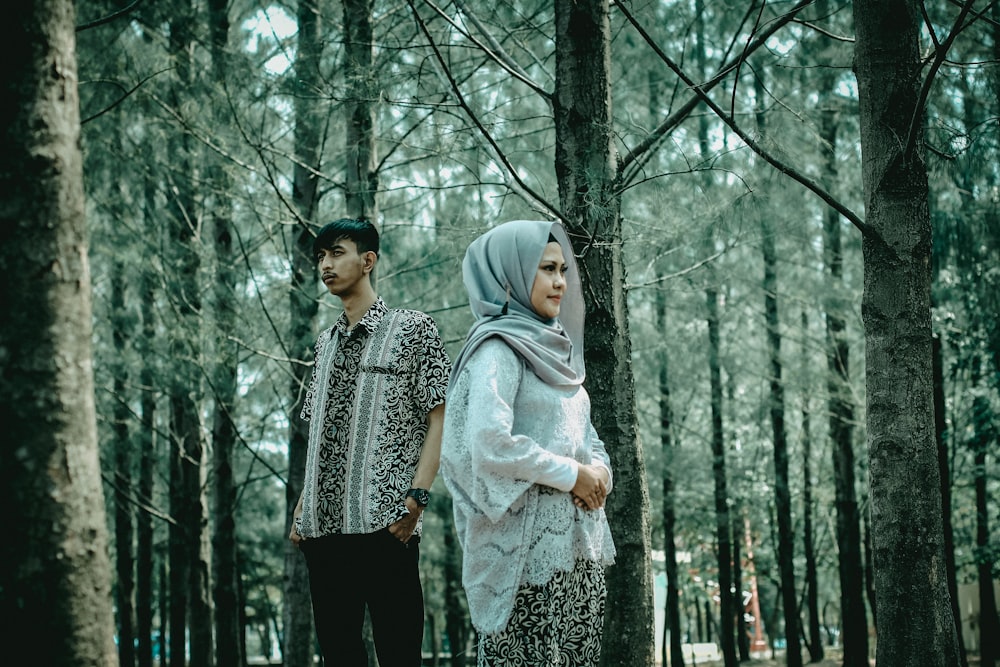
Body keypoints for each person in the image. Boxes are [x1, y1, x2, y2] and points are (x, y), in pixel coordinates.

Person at [440, 219, 616, 666]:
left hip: (580, 550)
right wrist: (573, 474)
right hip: (524, 559)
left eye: (563, 270)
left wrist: (599, 474)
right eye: (546, 269)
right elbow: (490, 443)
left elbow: (586, 433)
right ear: (510, 274)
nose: (559, 282)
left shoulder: (559, 350)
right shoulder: (497, 350)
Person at [288, 217, 451, 667]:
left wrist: (417, 498)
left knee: (400, 655)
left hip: (385, 528)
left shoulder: (413, 330)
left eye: (337, 252)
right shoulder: (324, 346)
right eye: (321, 255)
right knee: (341, 656)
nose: (326, 264)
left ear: (368, 260)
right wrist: (304, 505)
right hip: (323, 534)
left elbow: (440, 416)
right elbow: (318, 432)